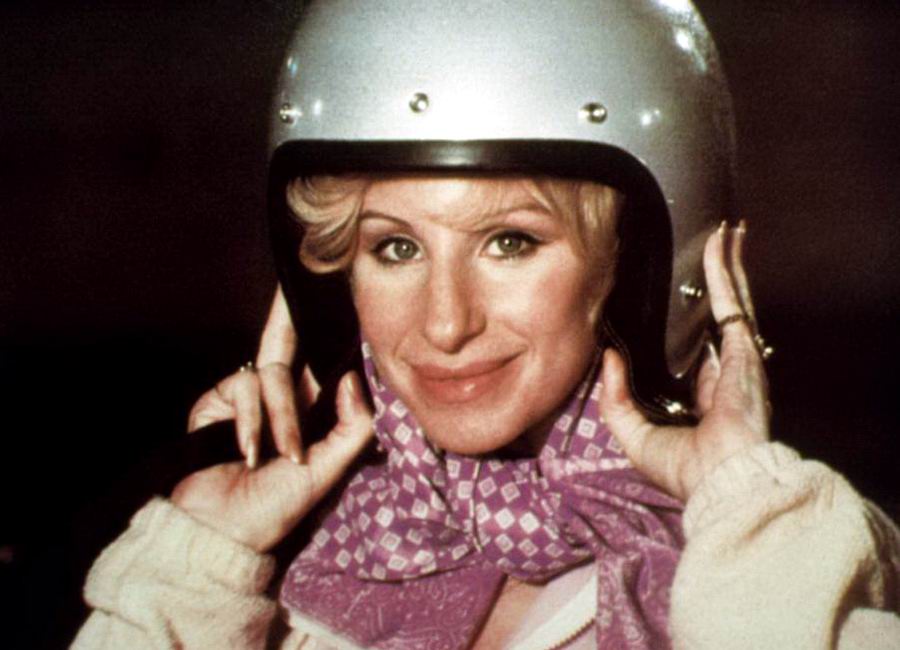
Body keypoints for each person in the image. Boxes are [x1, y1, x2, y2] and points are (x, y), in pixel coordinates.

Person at [73, 1, 900, 648]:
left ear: (638, 267)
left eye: (510, 242)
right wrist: (201, 559)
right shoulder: (284, 568)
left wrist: (742, 501)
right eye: (395, 247)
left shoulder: (785, 563)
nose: (445, 324)